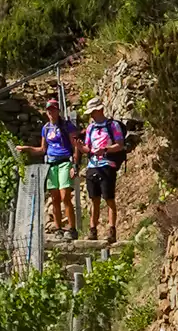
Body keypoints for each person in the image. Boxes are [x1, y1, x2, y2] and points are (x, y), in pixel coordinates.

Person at [80, 100, 129, 247]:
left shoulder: (112, 125)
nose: (92, 116)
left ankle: (111, 230)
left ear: (99, 110)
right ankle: (92, 229)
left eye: (93, 112)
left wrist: (105, 150)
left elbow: (119, 145)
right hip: (92, 165)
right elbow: (88, 148)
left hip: (107, 165)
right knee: (94, 199)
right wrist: (81, 148)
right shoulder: (90, 128)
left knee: (109, 198)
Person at [36, 90, 82, 238]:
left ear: (58, 111)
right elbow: (43, 149)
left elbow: (75, 144)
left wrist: (75, 164)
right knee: (54, 197)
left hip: (64, 161)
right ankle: (58, 228)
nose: (51, 112)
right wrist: (27, 150)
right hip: (51, 164)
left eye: (53, 110)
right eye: (48, 110)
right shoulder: (46, 128)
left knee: (65, 196)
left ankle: (72, 228)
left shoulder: (66, 126)